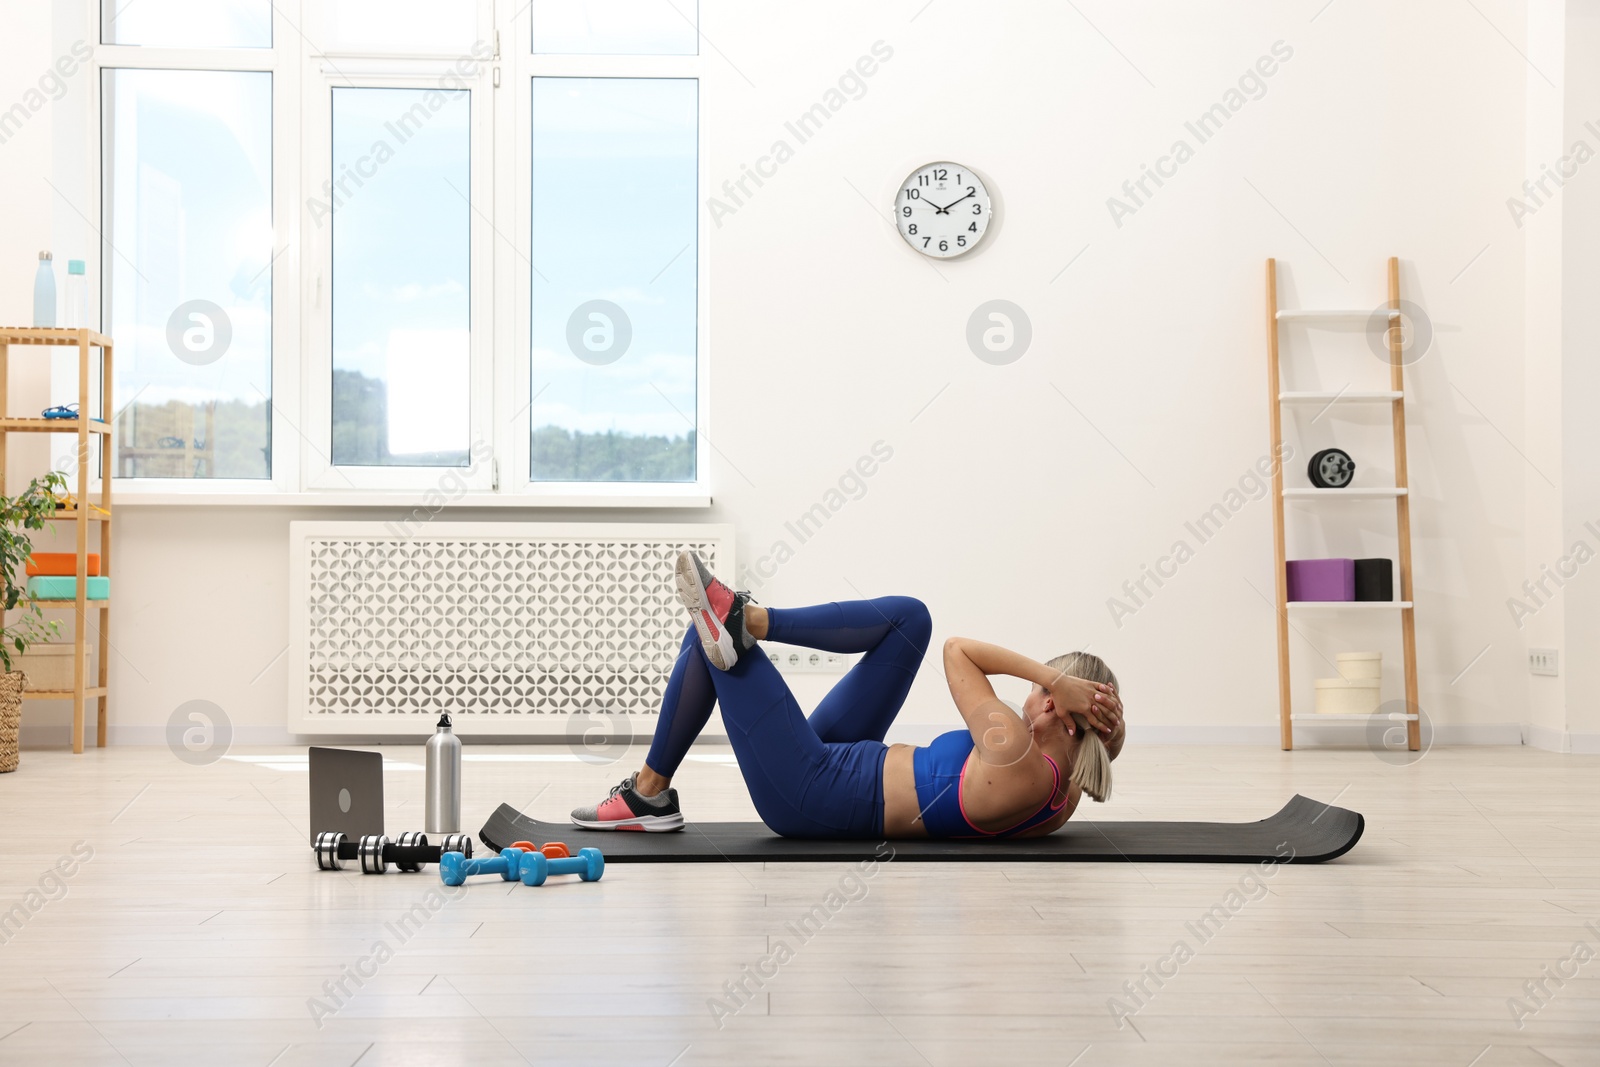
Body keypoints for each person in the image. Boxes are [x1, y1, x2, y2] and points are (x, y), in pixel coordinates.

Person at [571, 552, 1125, 839]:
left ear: (1057, 705)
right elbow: (1097, 749)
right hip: (847, 762)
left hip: (814, 791)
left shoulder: (1013, 749)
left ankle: (647, 793)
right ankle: (751, 619)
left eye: (1037, 690)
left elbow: (959, 652)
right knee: (910, 619)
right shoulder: (1068, 785)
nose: (1030, 696)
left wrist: (1053, 678)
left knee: (710, 637)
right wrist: (1108, 727)